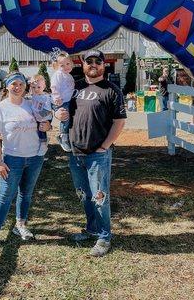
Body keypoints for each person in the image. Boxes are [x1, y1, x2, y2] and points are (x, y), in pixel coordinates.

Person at [55, 49, 127, 257]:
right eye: (89, 61)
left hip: (98, 154)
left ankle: (104, 237)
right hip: (75, 152)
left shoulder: (112, 90)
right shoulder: (74, 87)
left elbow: (119, 122)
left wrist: (105, 146)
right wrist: (58, 114)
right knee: (84, 195)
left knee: (99, 196)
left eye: (98, 61)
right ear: (82, 64)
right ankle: (92, 228)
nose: (93, 64)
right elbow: (60, 107)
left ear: (104, 65)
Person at [0, 72, 51, 254]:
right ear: (7, 86)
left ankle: (20, 225)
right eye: (14, 84)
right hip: (12, 159)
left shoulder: (32, 104)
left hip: (35, 157)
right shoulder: (0, 108)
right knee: (5, 196)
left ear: (25, 86)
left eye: (21, 84)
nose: (17, 87)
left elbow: (46, 117)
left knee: (26, 193)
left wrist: (48, 125)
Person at [50, 51, 75, 152]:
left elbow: (70, 89)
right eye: (62, 65)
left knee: (69, 119)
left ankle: (68, 135)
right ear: (57, 66)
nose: (66, 67)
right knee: (65, 118)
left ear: (71, 64)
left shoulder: (69, 76)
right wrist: (57, 97)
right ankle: (62, 136)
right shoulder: (58, 74)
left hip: (67, 100)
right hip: (60, 101)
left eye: (68, 64)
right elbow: (54, 86)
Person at [29, 74, 53, 143]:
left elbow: (48, 110)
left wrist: (38, 117)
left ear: (44, 87)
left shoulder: (45, 97)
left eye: (39, 87)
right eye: (33, 87)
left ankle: (43, 143)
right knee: (36, 131)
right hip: (38, 116)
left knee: (41, 130)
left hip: (45, 117)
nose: (36, 89)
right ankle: (39, 141)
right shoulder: (34, 96)